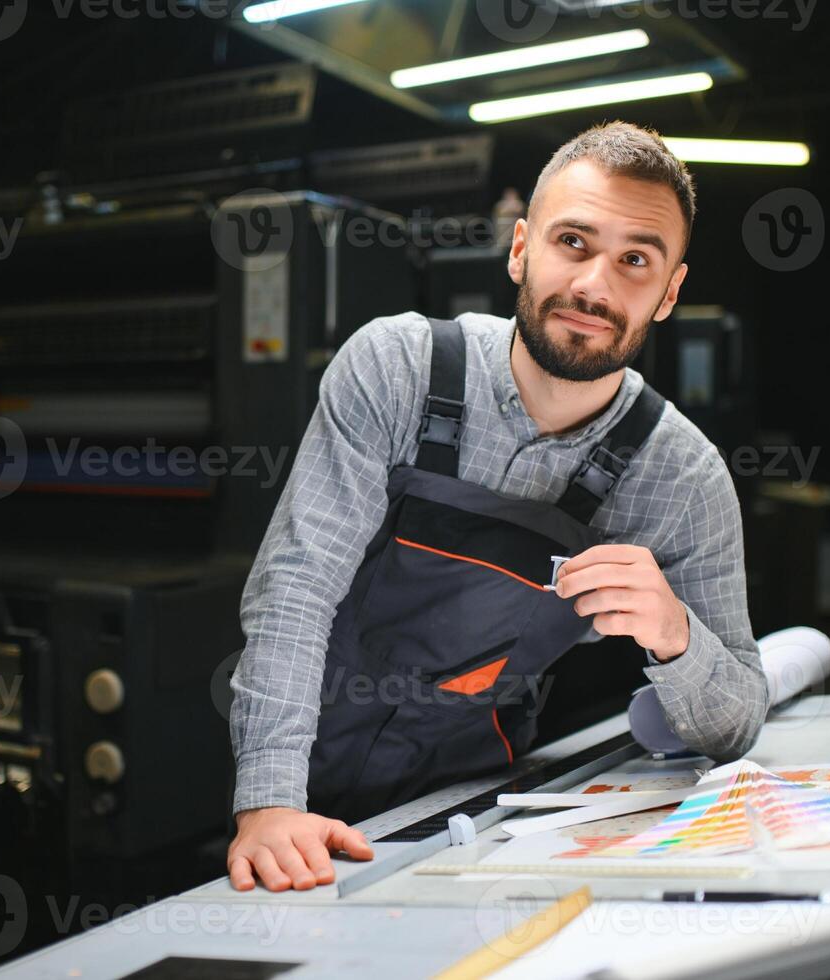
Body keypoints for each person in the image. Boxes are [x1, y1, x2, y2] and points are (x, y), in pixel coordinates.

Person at [226, 121, 771, 893]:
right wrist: (271, 804)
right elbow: (295, 588)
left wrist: (676, 637)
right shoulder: (398, 368)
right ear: (520, 248)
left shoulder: (679, 478)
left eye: (635, 261)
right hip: (296, 771)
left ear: (669, 293)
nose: (594, 286)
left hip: (471, 817)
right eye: (574, 243)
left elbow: (738, 715)